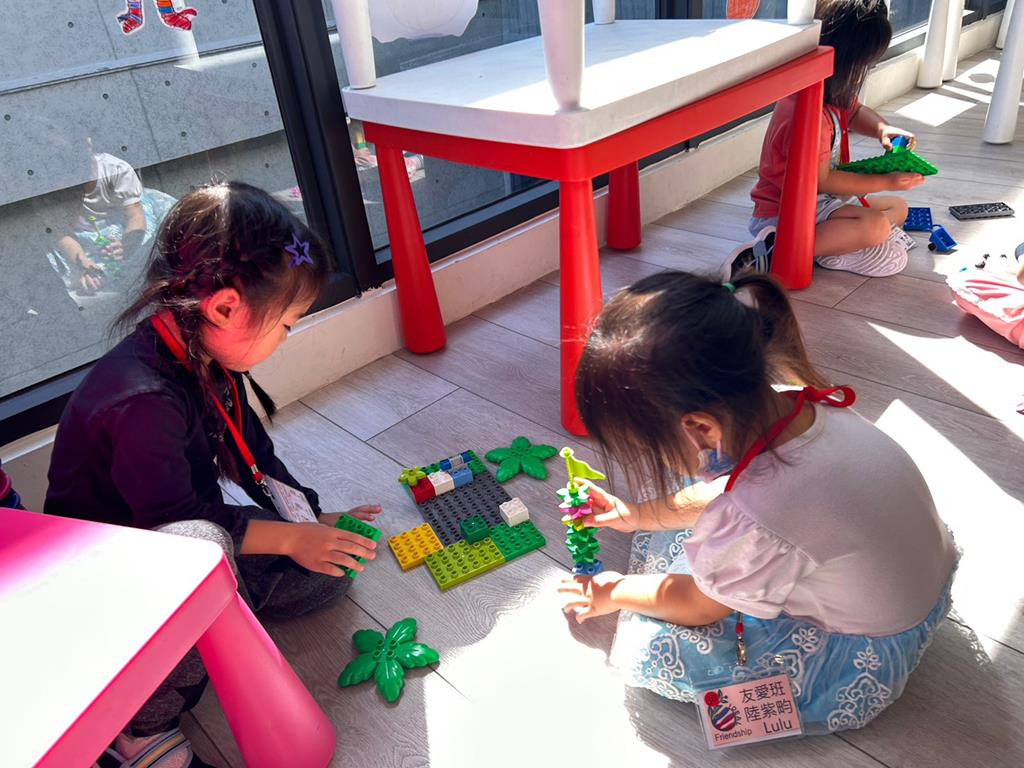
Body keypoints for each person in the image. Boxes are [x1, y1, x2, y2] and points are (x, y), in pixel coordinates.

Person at [45, 182, 381, 768]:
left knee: (327, 576)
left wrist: (305, 518)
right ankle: (137, 728)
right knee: (206, 552)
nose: (287, 337)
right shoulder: (142, 400)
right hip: (113, 580)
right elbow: (180, 527)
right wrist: (289, 539)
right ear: (225, 307)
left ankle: (223, 613)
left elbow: (255, 455)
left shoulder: (202, 354)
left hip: (176, 539)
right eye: (287, 323)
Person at [557, 270, 957, 734]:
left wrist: (612, 591)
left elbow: (702, 605)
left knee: (655, 651)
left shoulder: (761, 513)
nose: (659, 462)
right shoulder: (792, 401)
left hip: (865, 649)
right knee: (704, 515)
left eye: (654, 451)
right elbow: (735, 489)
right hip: (924, 578)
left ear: (701, 428)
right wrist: (636, 515)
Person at [734, 0, 925, 279]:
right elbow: (822, 180)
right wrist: (886, 181)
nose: (861, 74)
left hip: (821, 203)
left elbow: (854, 111)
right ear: (845, 61)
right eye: (862, 66)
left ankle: (833, 245)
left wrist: (883, 129)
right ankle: (776, 252)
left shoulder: (829, 90)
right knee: (876, 227)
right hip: (785, 215)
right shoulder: (807, 112)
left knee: (898, 207)